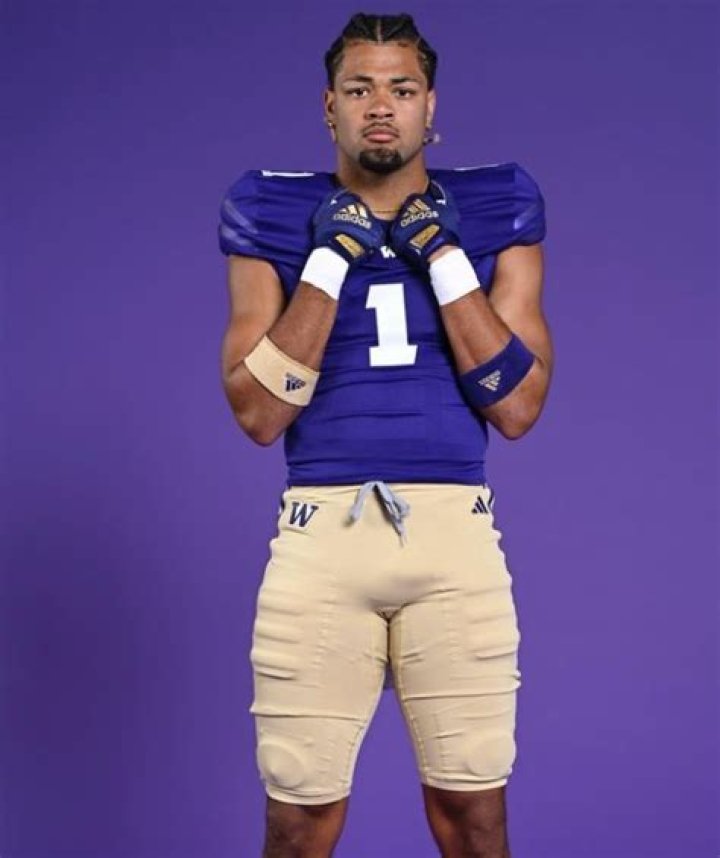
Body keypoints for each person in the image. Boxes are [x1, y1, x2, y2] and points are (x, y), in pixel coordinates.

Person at [218, 12, 552, 858]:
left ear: (429, 106)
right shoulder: (266, 207)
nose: (380, 106)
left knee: (475, 817)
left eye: (401, 89)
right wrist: (329, 258)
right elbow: (259, 414)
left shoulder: (499, 202)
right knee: (297, 819)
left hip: (455, 543)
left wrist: (443, 252)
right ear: (328, 106)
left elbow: (518, 407)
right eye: (359, 88)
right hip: (320, 541)